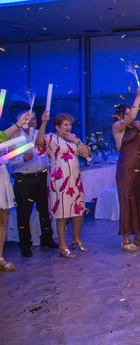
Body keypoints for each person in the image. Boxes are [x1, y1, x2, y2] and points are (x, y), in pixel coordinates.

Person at [36, 111, 90, 258]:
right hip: (59, 181)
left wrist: (76, 141)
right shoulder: (50, 138)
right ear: (57, 127)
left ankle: (76, 240)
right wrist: (44, 122)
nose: (68, 127)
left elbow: (87, 154)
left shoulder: (73, 139)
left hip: (75, 181)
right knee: (62, 213)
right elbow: (39, 143)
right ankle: (62, 246)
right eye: (65, 125)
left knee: (78, 210)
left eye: (70, 125)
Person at [8, 111, 57, 257]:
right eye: (28, 118)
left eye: (34, 118)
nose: (32, 120)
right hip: (24, 179)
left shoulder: (39, 134)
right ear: (21, 120)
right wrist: (23, 159)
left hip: (41, 176)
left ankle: (47, 238)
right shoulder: (14, 138)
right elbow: (9, 162)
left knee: (44, 210)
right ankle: (25, 244)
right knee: (24, 213)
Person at [112, 86, 140, 252]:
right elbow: (131, 119)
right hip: (126, 169)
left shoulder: (136, 127)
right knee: (127, 201)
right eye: (127, 113)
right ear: (121, 116)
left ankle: (139, 235)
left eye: (131, 112)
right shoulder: (118, 127)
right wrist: (138, 97)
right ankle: (126, 238)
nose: (130, 115)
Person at [0, 112, 35, 272]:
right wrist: (18, 124)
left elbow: (4, 140)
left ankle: (0, 257)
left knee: (3, 220)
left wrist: (20, 123)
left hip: (2, 176)